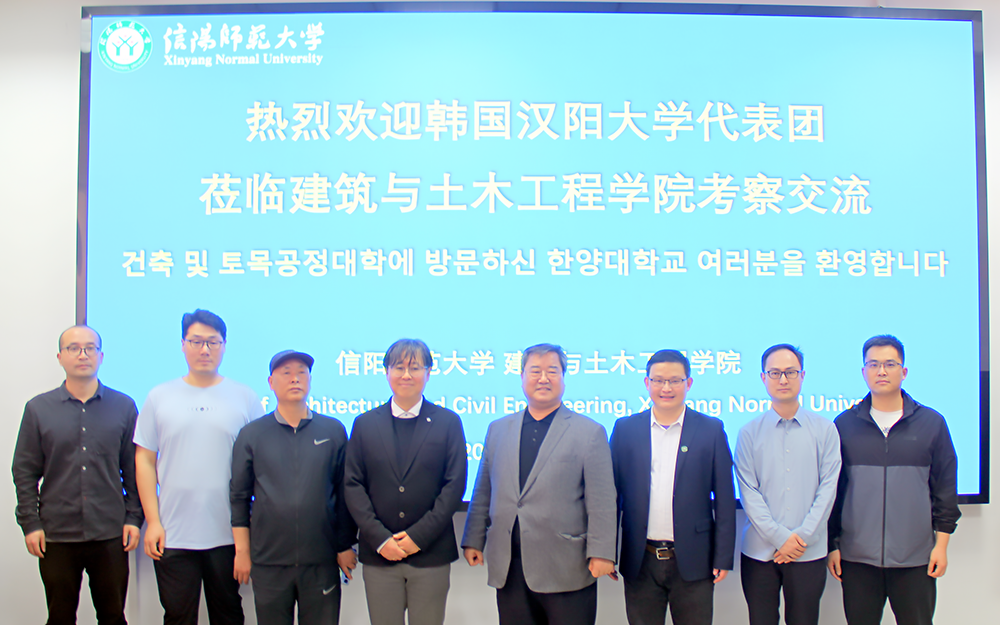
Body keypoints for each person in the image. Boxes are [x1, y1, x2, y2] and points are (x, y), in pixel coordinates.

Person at [463, 343, 617, 625]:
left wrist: (602, 553)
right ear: (522, 377)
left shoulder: (589, 432)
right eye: (535, 371)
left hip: (566, 566)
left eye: (552, 371)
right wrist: (473, 539)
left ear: (563, 377)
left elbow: (602, 500)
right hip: (511, 565)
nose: (543, 378)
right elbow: (483, 489)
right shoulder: (498, 429)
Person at [134, 309, 264, 625]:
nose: (204, 349)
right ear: (183, 344)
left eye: (213, 342)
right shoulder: (159, 396)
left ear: (224, 346)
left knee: (228, 615)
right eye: (196, 341)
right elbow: (145, 460)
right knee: (178, 616)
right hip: (173, 533)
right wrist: (153, 521)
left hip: (228, 534)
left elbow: (261, 464)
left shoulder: (245, 397)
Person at [12, 325, 143, 625]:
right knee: (60, 617)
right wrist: (30, 523)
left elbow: (133, 468)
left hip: (110, 533)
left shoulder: (124, 406)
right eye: (73, 348)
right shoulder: (38, 409)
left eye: (90, 348)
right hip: (56, 533)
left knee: (113, 616)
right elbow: (24, 470)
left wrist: (134, 518)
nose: (83, 354)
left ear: (101, 356)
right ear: (60, 357)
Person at [827, 335, 960, 625]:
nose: (881, 371)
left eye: (889, 364)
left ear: (904, 371)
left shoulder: (931, 423)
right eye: (873, 364)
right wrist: (832, 545)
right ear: (863, 371)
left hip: (915, 559)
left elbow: (945, 490)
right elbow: (834, 493)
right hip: (857, 559)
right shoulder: (844, 425)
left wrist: (941, 546)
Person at [344, 339, 467, 625]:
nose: (406, 375)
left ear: (429, 373)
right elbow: (353, 485)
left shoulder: (448, 422)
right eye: (399, 367)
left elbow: (454, 486)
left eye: (415, 368)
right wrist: (380, 538)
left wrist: (417, 538)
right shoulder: (365, 423)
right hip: (380, 554)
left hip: (431, 553)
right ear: (386, 372)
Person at [230, 350, 357, 625]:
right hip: (269, 562)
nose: (295, 378)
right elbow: (239, 496)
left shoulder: (333, 430)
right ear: (271, 382)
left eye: (301, 372)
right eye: (286, 373)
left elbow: (344, 494)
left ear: (310, 380)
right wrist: (242, 551)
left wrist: (345, 545)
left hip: (321, 561)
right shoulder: (252, 434)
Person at [610, 349, 735, 625]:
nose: (666, 388)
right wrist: (607, 552)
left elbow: (725, 498)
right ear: (647, 383)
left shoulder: (711, 430)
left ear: (688, 383)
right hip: (640, 559)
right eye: (658, 380)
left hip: (694, 560)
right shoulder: (625, 429)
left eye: (675, 380)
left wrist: (723, 556)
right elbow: (610, 497)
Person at [735, 344, 841, 625]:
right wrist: (780, 537)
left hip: (809, 551)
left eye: (790, 372)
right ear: (763, 377)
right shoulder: (748, 433)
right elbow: (748, 492)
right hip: (759, 552)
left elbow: (828, 490)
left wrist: (801, 537)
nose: (783, 379)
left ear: (802, 376)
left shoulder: (825, 430)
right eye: (775, 373)